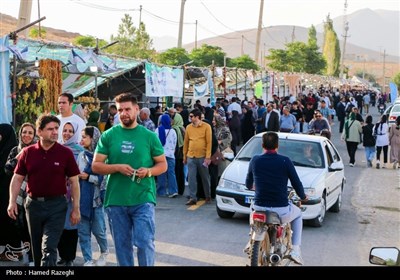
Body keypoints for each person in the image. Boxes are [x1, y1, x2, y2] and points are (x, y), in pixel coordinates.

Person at [92, 93, 167, 266]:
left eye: (127, 109)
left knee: (144, 242)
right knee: (122, 246)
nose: (123, 113)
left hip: (143, 198)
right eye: (120, 110)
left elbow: (163, 165)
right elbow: (96, 166)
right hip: (116, 200)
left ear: (136, 109)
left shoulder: (149, 136)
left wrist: (148, 171)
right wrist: (117, 167)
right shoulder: (108, 135)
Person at [7, 114, 81, 267]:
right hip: (33, 206)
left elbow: (74, 182)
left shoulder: (65, 153)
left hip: (57, 206)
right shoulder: (28, 153)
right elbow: (17, 178)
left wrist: (76, 208)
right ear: (39, 132)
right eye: (50, 129)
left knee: (49, 247)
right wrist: (12, 202)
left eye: (56, 129)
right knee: (37, 250)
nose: (55, 132)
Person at [245, 132, 308, 265]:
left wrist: (254, 186)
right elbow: (296, 183)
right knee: (298, 215)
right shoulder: (285, 161)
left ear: (262, 145)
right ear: (277, 146)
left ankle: (251, 240)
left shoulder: (255, 160)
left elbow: (248, 184)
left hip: (260, 208)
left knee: (252, 209)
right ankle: (295, 250)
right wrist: (303, 196)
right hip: (281, 211)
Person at [4, 123, 37, 265]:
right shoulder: (14, 150)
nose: (27, 135)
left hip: (34, 193)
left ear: (35, 135)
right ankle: (28, 256)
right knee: (21, 226)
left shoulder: (38, 150)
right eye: (24, 132)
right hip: (18, 194)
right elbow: (7, 169)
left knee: (34, 227)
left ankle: (35, 257)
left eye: (30, 133)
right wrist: (20, 154)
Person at [77, 126, 109, 266]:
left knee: (99, 231)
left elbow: (104, 181)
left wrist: (88, 177)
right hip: (82, 199)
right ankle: (88, 259)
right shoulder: (81, 155)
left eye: (84, 137)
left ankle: (104, 252)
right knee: (83, 232)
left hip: (96, 200)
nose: (81, 140)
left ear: (93, 138)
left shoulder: (102, 157)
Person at [57, 122, 84, 267]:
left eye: (70, 131)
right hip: (58, 193)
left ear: (75, 133)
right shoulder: (57, 148)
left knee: (71, 225)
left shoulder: (80, 151)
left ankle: (70, 258)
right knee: (60, 225)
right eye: (64, 130)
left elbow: (80, 171)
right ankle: (62, 256)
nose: (66, 133)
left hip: (73, 192)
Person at [183, 108, 212, 206]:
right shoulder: (188, 127)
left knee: (205, 177)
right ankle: (193, 197)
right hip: (191, 155)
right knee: (191, 178)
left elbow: (209, 142)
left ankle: (207, 195)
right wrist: (185, 156)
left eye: (191, 116)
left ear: (197, 117)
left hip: (202, 156)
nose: (190, 118)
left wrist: (208, 157)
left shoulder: (206, 127)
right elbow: (186, 142)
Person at [0, 124, 20, 262]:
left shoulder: (13, 151)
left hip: (9, 193)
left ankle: (14, 251)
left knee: (11, 222)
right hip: (2, 193)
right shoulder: (2, 149)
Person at [155, 114, 178, 197]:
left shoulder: (158, 130)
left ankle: (161, 191)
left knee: (161, 173)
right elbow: (175, 143)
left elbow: (155, 143)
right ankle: (173, 191)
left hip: (160, 155)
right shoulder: (173, 131)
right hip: (171, 155)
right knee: (171, 173)